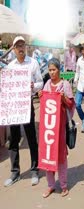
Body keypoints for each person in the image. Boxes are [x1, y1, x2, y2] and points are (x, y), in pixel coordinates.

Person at [4, 36, 43, 187]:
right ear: (13, 49)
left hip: (27, 105)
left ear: (26, 47)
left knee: (31, 137)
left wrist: (33, 86)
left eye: (22, 45)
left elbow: (40, 82)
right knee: (13, 139)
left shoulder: (33, 63)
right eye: (17, 46)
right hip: (13, 107)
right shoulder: (10, 67)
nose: (20, 48)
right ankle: (15, 172)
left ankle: (35, 170)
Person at [38, 58, 75, 198]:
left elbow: (71, 104)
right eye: (50, 70)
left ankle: (64, 185)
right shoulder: (47, 84)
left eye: (54, 69)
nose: (52, 72)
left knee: (60, 156)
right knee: (48, 155)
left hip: (60, 128)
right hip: (49, 129)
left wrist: (63, 98)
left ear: (59, 70)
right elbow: (45, 103)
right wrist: (41, 95)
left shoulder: (65, 85)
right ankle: (51, 185)